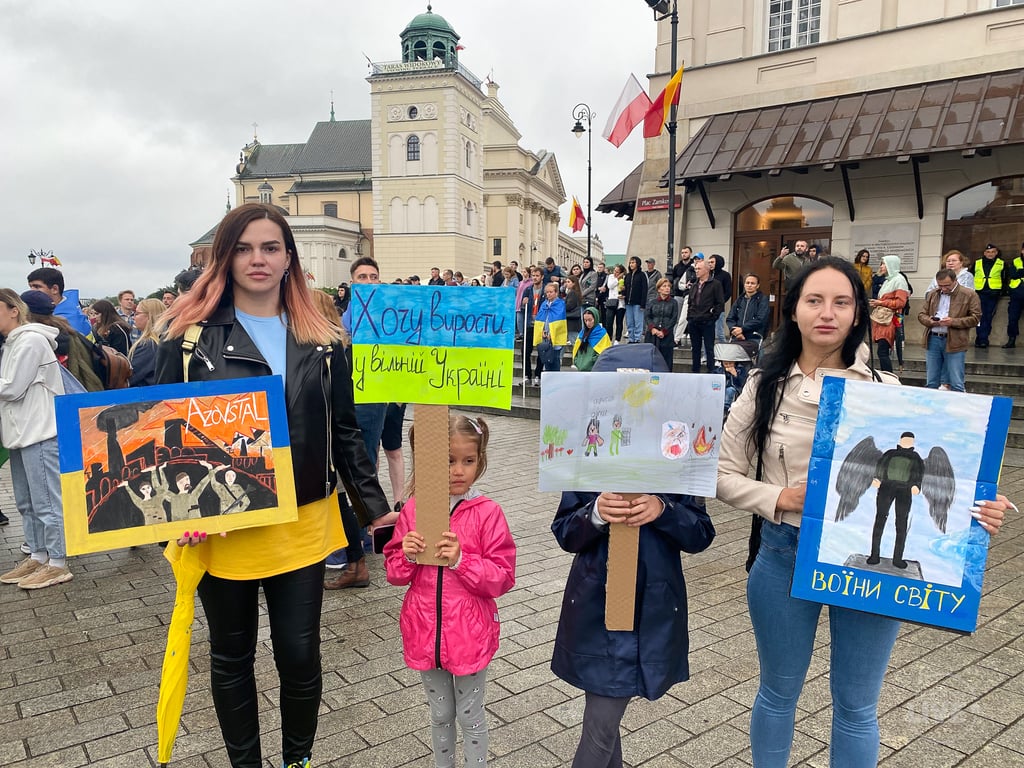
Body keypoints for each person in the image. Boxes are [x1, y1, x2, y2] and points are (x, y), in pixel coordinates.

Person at [716, 257, 1012, 768]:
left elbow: (944, 477)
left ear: (858, 314)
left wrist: (977, 509)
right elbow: (719, 475)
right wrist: (780, 498)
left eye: (841, 302)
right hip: (783, 554)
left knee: (856, 707)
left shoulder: (886, 392)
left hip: (866, 569)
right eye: (814, 300)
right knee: (776, 695)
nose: (826, 313)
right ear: (794, 310)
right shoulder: (763, 385)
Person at [154, 202, 390, 768]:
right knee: (232, 654)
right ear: (224, 256)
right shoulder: (186, 339)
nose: (256, 259)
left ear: (289, 258)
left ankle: (298, 761)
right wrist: (173, 515)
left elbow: (346, 430)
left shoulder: (325, 336)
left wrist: (376, 509)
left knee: (300, 654)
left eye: (270, 248)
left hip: (303, 521)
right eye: (243, 248)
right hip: (222, 523)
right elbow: (158, 434)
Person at [551, 465, 714, 768]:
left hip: (654, 611)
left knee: (602, 724)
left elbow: (700, 533)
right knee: (603, 725)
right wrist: (595, 512)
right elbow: (565, 531)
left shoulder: (682, 456)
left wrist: (664, 509)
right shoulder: (590, 455)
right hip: (594, 609)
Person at [384, 414, 516, 768]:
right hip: (425, 631)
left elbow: (503, 576)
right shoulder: (413, 510)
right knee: (440, 713)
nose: (459, 470)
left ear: (480, 461)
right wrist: (408, 554)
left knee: (470, 715)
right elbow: (395, 573)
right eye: (448, 460)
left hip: (469, 634)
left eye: (468, 461)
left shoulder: (488, 513)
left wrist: (462, 560)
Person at [0, 289, 72, 590]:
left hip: (40, 431)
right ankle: (38, 554)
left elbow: (12, 388)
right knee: (27, 501)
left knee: (46, 501)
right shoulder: (15, 342)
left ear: (13, 310)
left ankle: (57, 562)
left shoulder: (30, 340)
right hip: (22, 431)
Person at [917, 268, 981, 392]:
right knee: (931, 381)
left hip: (955, 340)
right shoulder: (933, 294)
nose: (943, 289)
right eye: (940, 286)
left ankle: (958, 407)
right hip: (933, 338)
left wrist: (953, 322)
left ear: (955, 281)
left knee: (956, 382)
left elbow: (976, 318)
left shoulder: (969, 294)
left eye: (947, 285)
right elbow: (921, 314)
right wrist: (930, 321)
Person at [869, 255, 909, 373]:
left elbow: (901, 302)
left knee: (883, 351)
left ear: (891, 265)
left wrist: (881, 302)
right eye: (881, 264)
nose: (881, 266)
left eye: (884, 264)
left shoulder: (899, 280)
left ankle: (888, 377)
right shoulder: (888, 280)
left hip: (891, 320)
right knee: (882, 351)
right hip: (883, 319)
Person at [685, 254, 724, 373]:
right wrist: (689, 317)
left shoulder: (715, 284)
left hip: (707, 321)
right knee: (695, 349)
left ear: (706, 270)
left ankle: (710, 371)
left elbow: (720, 303)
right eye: (696, 269)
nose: (696, 271)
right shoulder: (694, 285)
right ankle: (695, 371)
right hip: (694, 321)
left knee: (709, 348)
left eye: (699, 269)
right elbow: (690, 302)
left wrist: (713, 318)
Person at [27, 267, 91, 336]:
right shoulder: (67, 309)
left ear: (55, 289)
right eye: (30, 287)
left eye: (37, 287)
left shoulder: (73, 322)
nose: (32, 291)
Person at [127, 298, 166, 387]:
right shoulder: (163, 340)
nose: (133, 317)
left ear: (150, 316)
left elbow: (129, 376)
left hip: (145, 397)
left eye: (137, 313)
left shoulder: (148, 345)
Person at [972, 243, 1004, 348]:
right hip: (979, 293)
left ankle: (983, 338)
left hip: (993, 293)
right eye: (988, 252)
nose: (990, 254)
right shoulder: (977, 263)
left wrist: (1002, 291)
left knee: (988, 316)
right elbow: (970, 276)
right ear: (984, 253)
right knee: (980, 316)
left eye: (993, 252)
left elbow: (1005, 278)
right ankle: (981, 338)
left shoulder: (1001, 263)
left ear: (996, 253)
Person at [534, 280, 567, 380]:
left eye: (551, 292)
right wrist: (542, 331)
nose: (548, 294)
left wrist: (553, 334)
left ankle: (556, 382)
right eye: (547, 292)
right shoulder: (544, 304)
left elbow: (560, 322)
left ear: (556, 292)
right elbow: (540, 319)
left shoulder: (560, 304)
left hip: (555, 337)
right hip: (545, 336)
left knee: (555, 360)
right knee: (546, 360)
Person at [644, 277, 679, 370]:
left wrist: (664, 331)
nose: (667, 288)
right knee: (651, 358)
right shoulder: (652, 302)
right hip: (653, 334)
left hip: (666, 335)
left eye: (668, 286)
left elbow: (674, 318)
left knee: (666, 360)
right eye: (664, 286)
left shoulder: (673, 302)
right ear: (659, 289)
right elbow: (647, 316)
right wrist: (653, 329)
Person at [727, 273, 770, 344]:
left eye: (752, 283)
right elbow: (730, 318)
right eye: (747, 283)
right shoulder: (740, 299)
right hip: (737, 337)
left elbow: (760, 319)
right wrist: (736, 332)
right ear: (744, 284)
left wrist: (742, 329)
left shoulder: (762, 300)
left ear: (757, 286)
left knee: (756, 355)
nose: (749, 285)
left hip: (754, 337)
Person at [572, 306, 612, 372]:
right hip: (581, 370)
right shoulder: (582, 334)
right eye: (585, 320)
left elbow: (605, 354)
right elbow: (576, 351)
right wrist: (577, 362)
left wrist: (592, 360)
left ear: (595, 319)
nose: (587, 323)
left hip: (595, 370)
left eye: (590, 320)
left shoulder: (602, 335)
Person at [671, 246, 696, 346]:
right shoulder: (677, 266)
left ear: (690, 253)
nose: (684, 254)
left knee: (690, 317)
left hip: (691, 295)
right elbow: (674, 280)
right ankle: (676, 338)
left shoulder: (693, 267)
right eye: (682, 252)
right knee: (679, 318)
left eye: (686, 252)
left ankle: (687, 333)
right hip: (679, 294)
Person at [1002, 241, 1024, 349]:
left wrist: (1020, 271)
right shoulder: (1015, 261)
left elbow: (1018, 273)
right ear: (1022, 251)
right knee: (1013, 319)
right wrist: (1019, 272)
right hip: (1017, 294)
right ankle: (1011, 340)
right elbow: (1013, 275)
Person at [622, 256, 646, 343]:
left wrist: (643, 304)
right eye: (630, 262)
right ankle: (631, 338)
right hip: (628, 302)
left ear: (638, 264)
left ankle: (637, 338)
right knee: (629, 321)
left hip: (638, 302)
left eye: (633, 262)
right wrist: (623, 294)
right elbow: (625, 288)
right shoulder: (627, 276)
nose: (631, 264)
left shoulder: (642, 275)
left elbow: (644, 289)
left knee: (638, 321)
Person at [710, 254, 733, 342]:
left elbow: (728, 292)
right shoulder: (708, 274)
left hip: (718, 307)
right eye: (709, 262)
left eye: (712, 262)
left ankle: (723, 350)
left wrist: (720, 302)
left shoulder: (725, 275)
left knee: (719, 331)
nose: (710, 264)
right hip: (707, 307)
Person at [604, 264, 625, 343]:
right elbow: (610, 286)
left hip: (620, 303)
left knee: (619, 322)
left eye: (617, 272)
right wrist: (617, 279)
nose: (615, 273)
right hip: (612, 302)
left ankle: (617, 339)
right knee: (609, 322)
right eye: (615, 271)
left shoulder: (624, 278)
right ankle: (609, 338)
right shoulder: (611, 277)